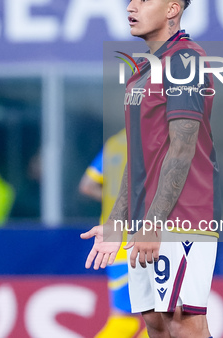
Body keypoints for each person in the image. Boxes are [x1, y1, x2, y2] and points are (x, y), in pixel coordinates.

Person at [81, 0, 221, 338]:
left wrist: (154, 223)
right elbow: (138, 159)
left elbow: (182, 147)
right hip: (146, 221)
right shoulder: (141, 72)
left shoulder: (184, 61)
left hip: (183, 215)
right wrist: (117, 222)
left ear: (172, 10)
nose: (131, 7)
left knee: (183, 322)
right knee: (156, 324)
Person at [79, 129, 149, 338]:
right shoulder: (159, 139)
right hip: (145, 238)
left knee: (123, 321)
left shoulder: (114, 143)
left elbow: (87, 186)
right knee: (162, 318)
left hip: (113, 238)